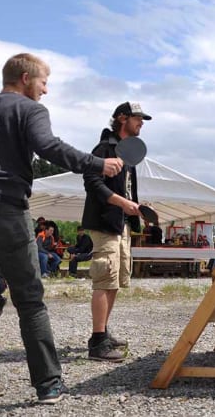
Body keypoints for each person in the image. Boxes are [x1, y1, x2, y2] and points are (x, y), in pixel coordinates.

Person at [0, 52, 123, 404]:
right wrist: (97, 163)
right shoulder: (29, 110)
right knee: (30, 302)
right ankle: (49, 385)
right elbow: (48, 146)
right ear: (25, 79)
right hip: (7, 210)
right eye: (43, 82)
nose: (46, 91)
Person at [82, 101, 152, 362]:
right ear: (122, 118)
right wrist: (123, 203)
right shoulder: (103, 149)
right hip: (104, 223)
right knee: (104, 277)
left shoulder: (129, 155)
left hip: (120, 223)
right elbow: (92, 183)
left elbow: (126, 191)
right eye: (137, 118)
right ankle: (97, 342)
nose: (141, 122)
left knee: (115, 281)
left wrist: (135, 210)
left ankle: (104, 332)